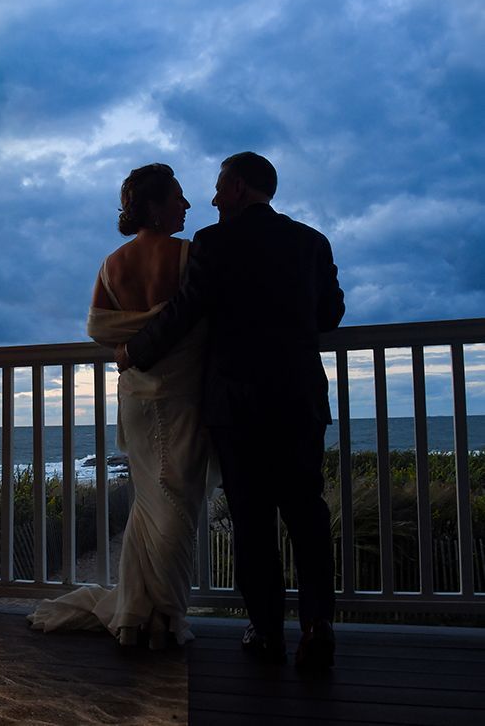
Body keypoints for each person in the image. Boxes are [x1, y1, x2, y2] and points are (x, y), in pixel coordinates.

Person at [118, 152, 344, 669]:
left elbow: (185, 311)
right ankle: (317, 626)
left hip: (237, 404)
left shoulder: (214, 244)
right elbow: (330, 313)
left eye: (221, 189)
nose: (214, 199)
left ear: (240, 188)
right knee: (308, 516)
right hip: (298, 399)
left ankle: (266, 633)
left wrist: (135, 353)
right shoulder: (312, 242)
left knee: (253, 521)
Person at [27, 163, 211, 649]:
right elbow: (193, 319)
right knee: (176, 507)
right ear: (154, 206)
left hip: (135, 395)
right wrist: (165, 325)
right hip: (183, 398)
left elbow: (100, 329)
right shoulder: (191, 257)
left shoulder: (112, 265)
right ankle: (165, 617)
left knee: (151, 505)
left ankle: (137, 617)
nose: (186, 205)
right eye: (178, 196)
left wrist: (137, 335)